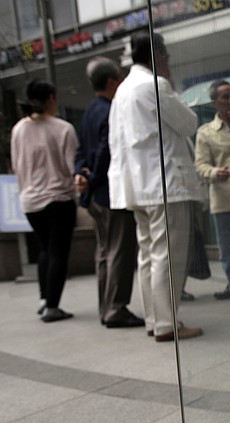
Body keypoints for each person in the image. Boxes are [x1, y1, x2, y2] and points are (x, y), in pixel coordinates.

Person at [108, 31, 203, 342]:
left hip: (135, 185)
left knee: (148, 254)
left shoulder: (122, 91)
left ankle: (154, 319)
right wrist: (169, 82)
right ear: (157, 56)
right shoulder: (156, 85)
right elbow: (189, 123)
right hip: (165, 184)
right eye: (166, 57)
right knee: (168, 255)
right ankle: (166, 323)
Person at [74, 57, 144, 329]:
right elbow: (106, 151)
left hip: (94, 196)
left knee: (103, 252)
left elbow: (82, 150)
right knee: (119, 251)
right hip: (108, 192)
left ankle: (107, 306)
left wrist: (82, 174)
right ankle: (116, 307)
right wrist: (91, 178)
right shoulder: (109, 110)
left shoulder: (90, 110)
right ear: (112, 82)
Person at [11, 80, 78, 323]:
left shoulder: (18, 129)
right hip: (59, 197)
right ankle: (52, 306)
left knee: (45, 249)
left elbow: (17, 165)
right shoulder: (63, 129)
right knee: (58, 251)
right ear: (51, 98)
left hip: (30, 200)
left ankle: (44, 299)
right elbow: (72, 167)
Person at [195, 80, 230, 315]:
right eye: (225, 98)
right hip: (224, 200)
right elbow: (200, 166)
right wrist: (215, 172)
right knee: (229, 253)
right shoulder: (205, 133)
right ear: (215, 103)